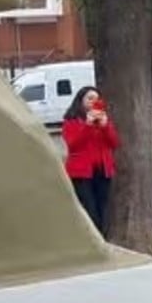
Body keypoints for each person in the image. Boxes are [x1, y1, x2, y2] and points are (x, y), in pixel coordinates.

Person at [61, 86, 119, 237]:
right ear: (80, 101)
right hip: (81, 173)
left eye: (96, 98)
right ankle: (94, 240)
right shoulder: (71, 121)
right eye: (90, 98)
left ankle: (103, 239)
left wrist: (105, 127)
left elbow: (114, 143)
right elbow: (73, 144)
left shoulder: (103, 118)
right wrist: (87, 125)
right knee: (89, 209)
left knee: (102, 209)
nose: (94, 101)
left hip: (102, 171)